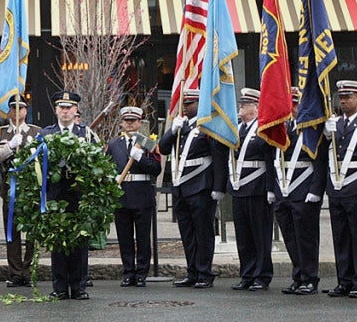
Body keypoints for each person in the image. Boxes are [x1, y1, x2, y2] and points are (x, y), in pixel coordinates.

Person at [158, 88, 228, 289]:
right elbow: (163, 148)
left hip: (201, 186)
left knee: (203, 232)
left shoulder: (207, 125)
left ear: (200, 104)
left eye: (190, 104)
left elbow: (218, 156)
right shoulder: (180, 126)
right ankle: (192, 271)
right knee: (187, 233)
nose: (186, 107)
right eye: (185, 103)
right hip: (181, 188)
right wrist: (172, 131)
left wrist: (218, 186)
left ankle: (205, 272)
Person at [318, 80, 357, 299]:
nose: (343, 101)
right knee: (340, 237)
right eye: (341, 98)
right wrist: (326, 135)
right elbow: (327, 156)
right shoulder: (335, 124)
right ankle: (344, 280)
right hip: (337, 188)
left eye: (348, 98)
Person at [39, 90, 96, 300]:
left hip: (79, 196)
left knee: (80, 243)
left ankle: (79, 287)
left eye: (69, 107)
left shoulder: (85, 134)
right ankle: (60, 287)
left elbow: (96, 161)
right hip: (55, 195)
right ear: (56, 110)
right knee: (58, 244)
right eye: (61, 107)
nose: (65, 111)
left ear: (75, 110)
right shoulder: (45, 134)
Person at [272, 87, 325, 296]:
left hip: (304, 190)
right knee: (290, 238)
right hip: (284, 190)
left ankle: (310, 278)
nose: (291, 108)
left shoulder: (311, 129)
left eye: (295, 104)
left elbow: (320, 163)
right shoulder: (281, 129)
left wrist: (316, 190)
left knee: (306, 238)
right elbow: (273, 160)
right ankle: (298, 275)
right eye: (289, 104)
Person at [107, 106, 162, 288]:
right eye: (126, 121)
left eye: (133, 121)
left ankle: (141, 273)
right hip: (122, 194)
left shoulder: (148, 143)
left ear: (140, 122)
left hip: (141, 194)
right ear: (121, 122)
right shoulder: (114, 144)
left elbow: (156, 169)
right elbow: (107, 165)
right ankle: (128, 272)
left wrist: (141, 158)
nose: (129, 124)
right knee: (124, 237)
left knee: (143, 237)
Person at [0, 93, 40, 287]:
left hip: (30, 188)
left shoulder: (37, 132)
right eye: (13, 108)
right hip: (9, 187)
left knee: (31, 233)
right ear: (9, 111)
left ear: (26, 111)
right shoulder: (1, 133)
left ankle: (28, 271)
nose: (17, 112)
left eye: (21, 108)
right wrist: (10, 147)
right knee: (11, 231)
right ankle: (15, 273)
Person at [229, 88, 275, 292]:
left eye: (245, 104)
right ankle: (247, 274)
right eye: (241, 103)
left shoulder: (264, 130)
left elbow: (271, 161)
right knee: (243, 236)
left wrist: (271, 188)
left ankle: (262, 275)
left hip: (257, 189)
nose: (240, 107)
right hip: (239, 189)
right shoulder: (237, 129)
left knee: (260, 235)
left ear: (257, 108)